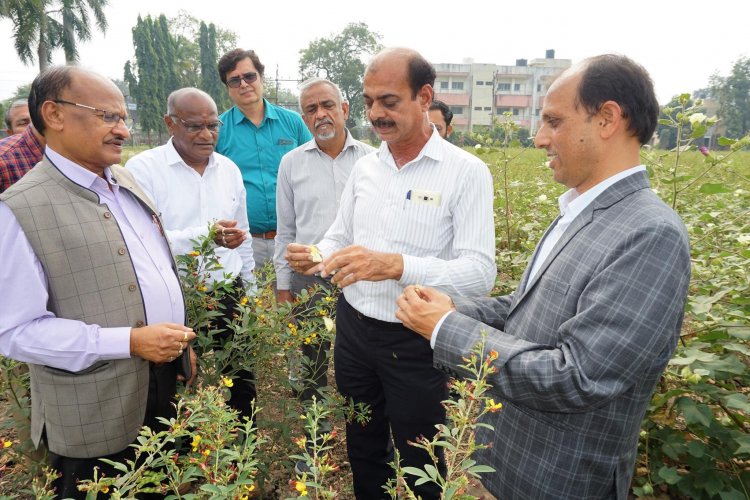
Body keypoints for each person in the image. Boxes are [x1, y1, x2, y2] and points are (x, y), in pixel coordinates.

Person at [395, 54, 691, 499]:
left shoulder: (650, 233)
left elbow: (578, 376)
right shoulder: (577, 210)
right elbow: (527, 305)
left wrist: (446, 328)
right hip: (511, 464)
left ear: (607, 118)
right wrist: (451, 307)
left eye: (554, 121)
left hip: (560, 480)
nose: (539, 139)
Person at [286, 48, 496, 499]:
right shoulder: (366, 168)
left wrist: (397, 266)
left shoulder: (465, 173)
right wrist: (316, 253)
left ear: (424, 97)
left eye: (389, 101)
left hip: (416, 341)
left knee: (422, 457)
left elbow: (480, 273)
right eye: (368, 102)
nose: (376, 114)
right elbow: (339, 235)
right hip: (355, 331)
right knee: (363, 443)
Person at [0, 66, 197, 499]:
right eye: (108, 116)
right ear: (53, 114)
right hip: (94, 402)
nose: (123, 130)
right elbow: (15, 333)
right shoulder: (20, 209)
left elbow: (152, 272)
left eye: (123, 118)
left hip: (162, 382)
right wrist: (127, 341)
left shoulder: (124, 181)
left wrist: (182, 343)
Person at [126, 87, 257, 422]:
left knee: (240, 380)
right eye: (194, 126)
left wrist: (250, 291)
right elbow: (141, 241)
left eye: (213, 126)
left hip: (228, 292)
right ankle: (180, 462)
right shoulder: (143, 169)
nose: (206, 134)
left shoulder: (229, 170)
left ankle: (240, 454)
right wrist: (207, 236)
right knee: (174, 385)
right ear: (170, 123)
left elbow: (243, 236)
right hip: (173, 297)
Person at [274, 78, 374, 468]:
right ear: (304, 117)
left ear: (346, 109)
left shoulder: (372, 160)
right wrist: (284, 285)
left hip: (358, 275)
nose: (321, 115)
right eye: (311, 109)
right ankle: (313, 444)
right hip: (309, 278)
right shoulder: (292, 163)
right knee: (311, 361)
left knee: (361, 362)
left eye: (327, 105)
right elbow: (286, 230)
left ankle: (363, 441)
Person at [216, 48, 312, 271]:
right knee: (250, 304)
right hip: (245, 242)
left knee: (297, 303)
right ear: (227, 88)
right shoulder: (218, 130)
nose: (244, 84)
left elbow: (313, 166)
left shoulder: (293, 123)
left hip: (294, 237)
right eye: (234, 80)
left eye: (249, 76)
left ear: (261, 78)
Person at [0, 100, 45, 192]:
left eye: (36, 119)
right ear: (10, 133)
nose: (33, 126)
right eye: (24, 123)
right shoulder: (4, 161)